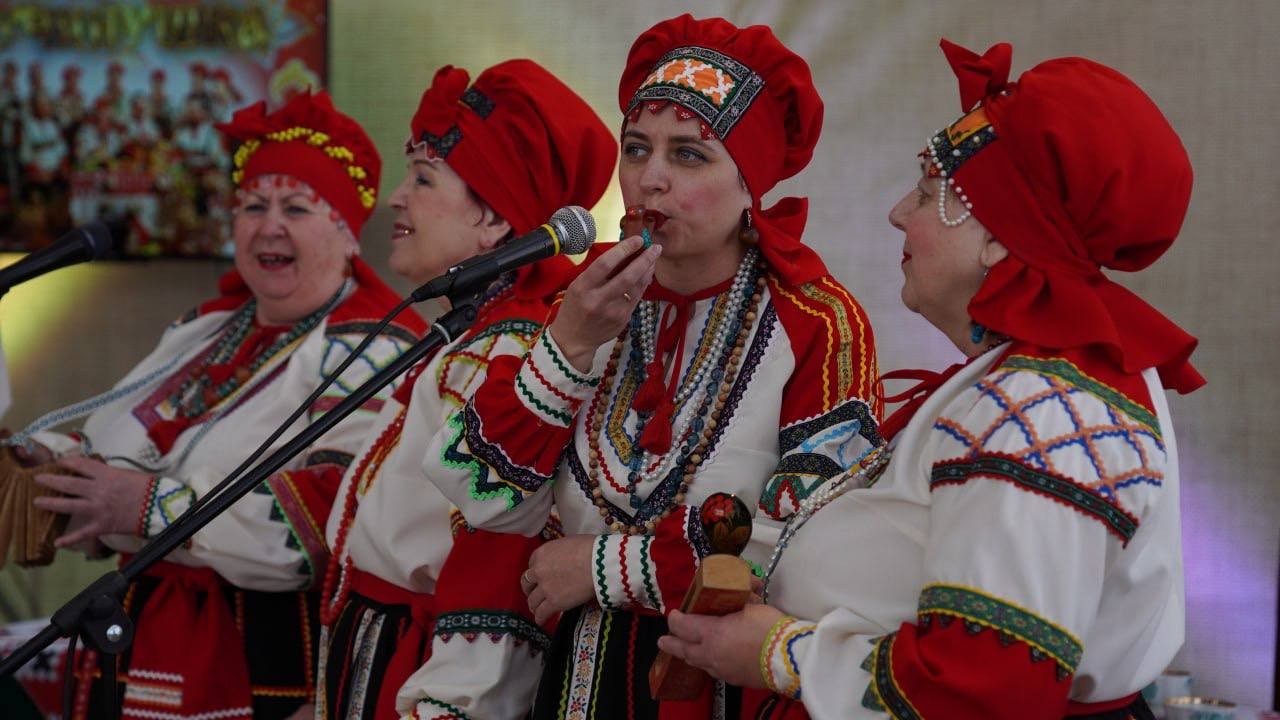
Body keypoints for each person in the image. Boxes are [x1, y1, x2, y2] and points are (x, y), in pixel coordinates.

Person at [658, 40, 1202, 720]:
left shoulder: (1047, 409)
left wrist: (780, 653)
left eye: (926, 192)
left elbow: (984, 691)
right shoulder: (1027, 382)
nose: (898, 214)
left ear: (999, 235)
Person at [424, 14, 882, 719]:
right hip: (572, 680)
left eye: (690, 155)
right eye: (636, 149)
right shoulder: (587, 302)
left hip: (721, 683)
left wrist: (604, 567)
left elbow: (813, 539)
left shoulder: (816, 321)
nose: (650, 179)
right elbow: (481, 499)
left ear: (750, 183)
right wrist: (568, 346)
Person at [10, 90, 423, 720]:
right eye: (253, 206)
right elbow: (118, 455)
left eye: (296, 207)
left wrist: (150, 506)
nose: (269, 225)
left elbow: (329, 520)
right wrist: (45, 461)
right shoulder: (202, 330)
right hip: (137, 636)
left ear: (346, 234)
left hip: (264, 662)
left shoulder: (373, 347)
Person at [316, 59, 616, 720]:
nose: (397, 198)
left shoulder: (512, 354)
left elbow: (500, 568)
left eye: (423, 178)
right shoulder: (472, 337)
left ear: (495, 220)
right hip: (389, 650)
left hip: (426, 670)